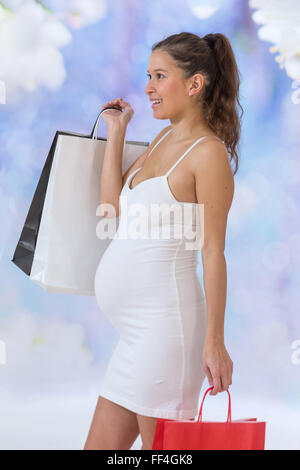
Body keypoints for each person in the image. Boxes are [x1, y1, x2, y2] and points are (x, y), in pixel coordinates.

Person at [84, 32, 243, 450]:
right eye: (148, 75)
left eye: (159, 76)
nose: (148, 87)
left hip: (166, 332)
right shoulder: (161, 139)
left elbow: (213, 251)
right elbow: (111, 206)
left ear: (195, 84)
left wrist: (215, 342)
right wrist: (117, 131)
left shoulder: (208, 154)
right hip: (134, 336)